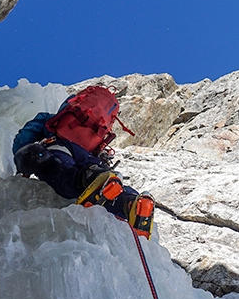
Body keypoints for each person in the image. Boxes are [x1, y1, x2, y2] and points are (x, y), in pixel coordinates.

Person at [12, 88, 154, 238]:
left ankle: (90, 178)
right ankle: (131, 203)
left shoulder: (54, 119)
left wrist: (24, 159)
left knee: (61, 174)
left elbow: (23, 139)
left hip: (61, 146)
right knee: (111, 192)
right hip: (89, 157)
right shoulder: (96, 128)